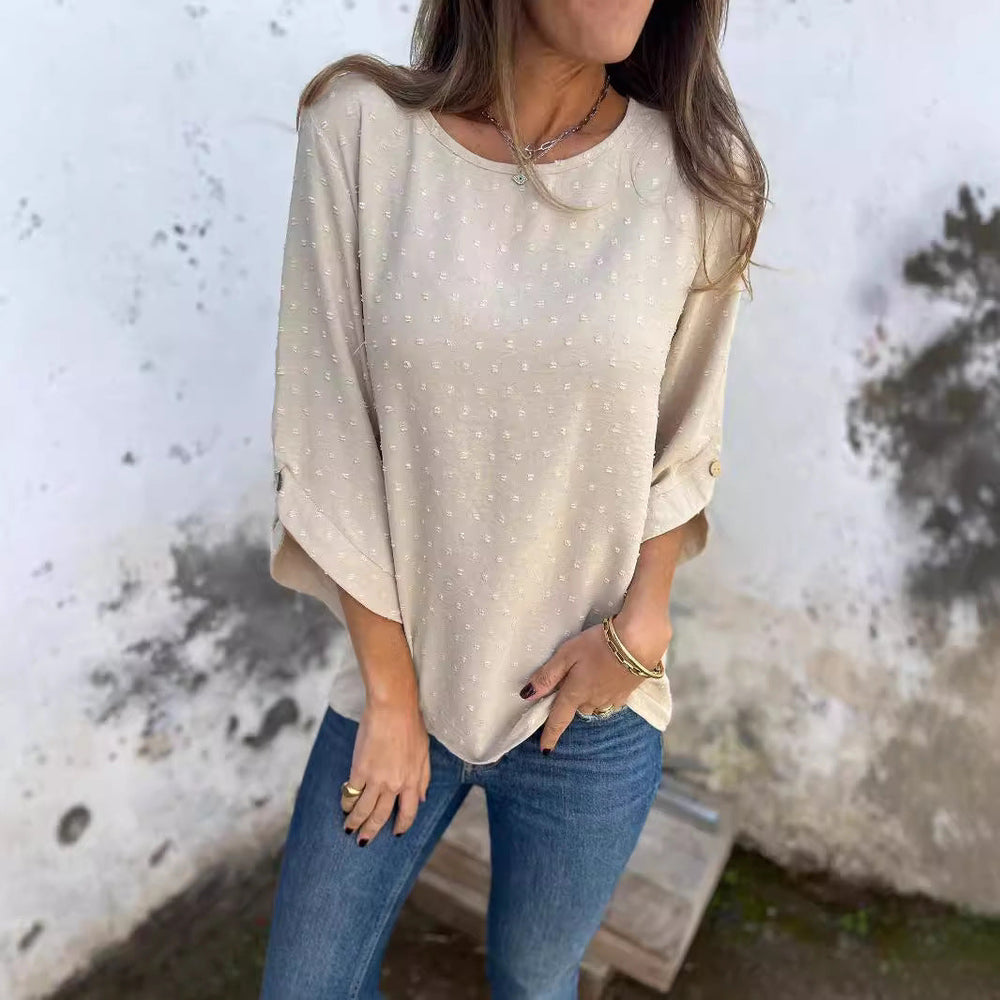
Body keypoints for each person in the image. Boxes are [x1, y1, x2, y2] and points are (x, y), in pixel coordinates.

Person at [260, 1, 767, 996]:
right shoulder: (359, 130)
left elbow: (684, 437)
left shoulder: (699, 178)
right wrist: (392, 696)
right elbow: (327, 430)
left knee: (535, 983)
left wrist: (641, 630)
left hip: (590, 703)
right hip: (400, 684)